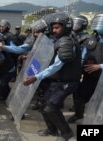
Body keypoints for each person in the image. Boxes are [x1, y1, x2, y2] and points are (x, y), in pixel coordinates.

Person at [23, 12, 81, 141]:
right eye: (53, 27)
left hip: (67, 82)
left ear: (66, 27)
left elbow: (57, 66)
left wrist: (36, 77)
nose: (54, 30)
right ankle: (52, 130)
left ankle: (66, 133)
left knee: (51, 107)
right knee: (44, 105)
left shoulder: (66, 42)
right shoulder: (58, 41)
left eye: (57, 27)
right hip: (56, 80)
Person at [67, 14, 103, 123]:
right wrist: (79, 68)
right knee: (79, 96)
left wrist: (100, 66)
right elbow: (84, 55)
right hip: (89, 75)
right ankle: (78, 115)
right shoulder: (92, 38)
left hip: (101, 77)